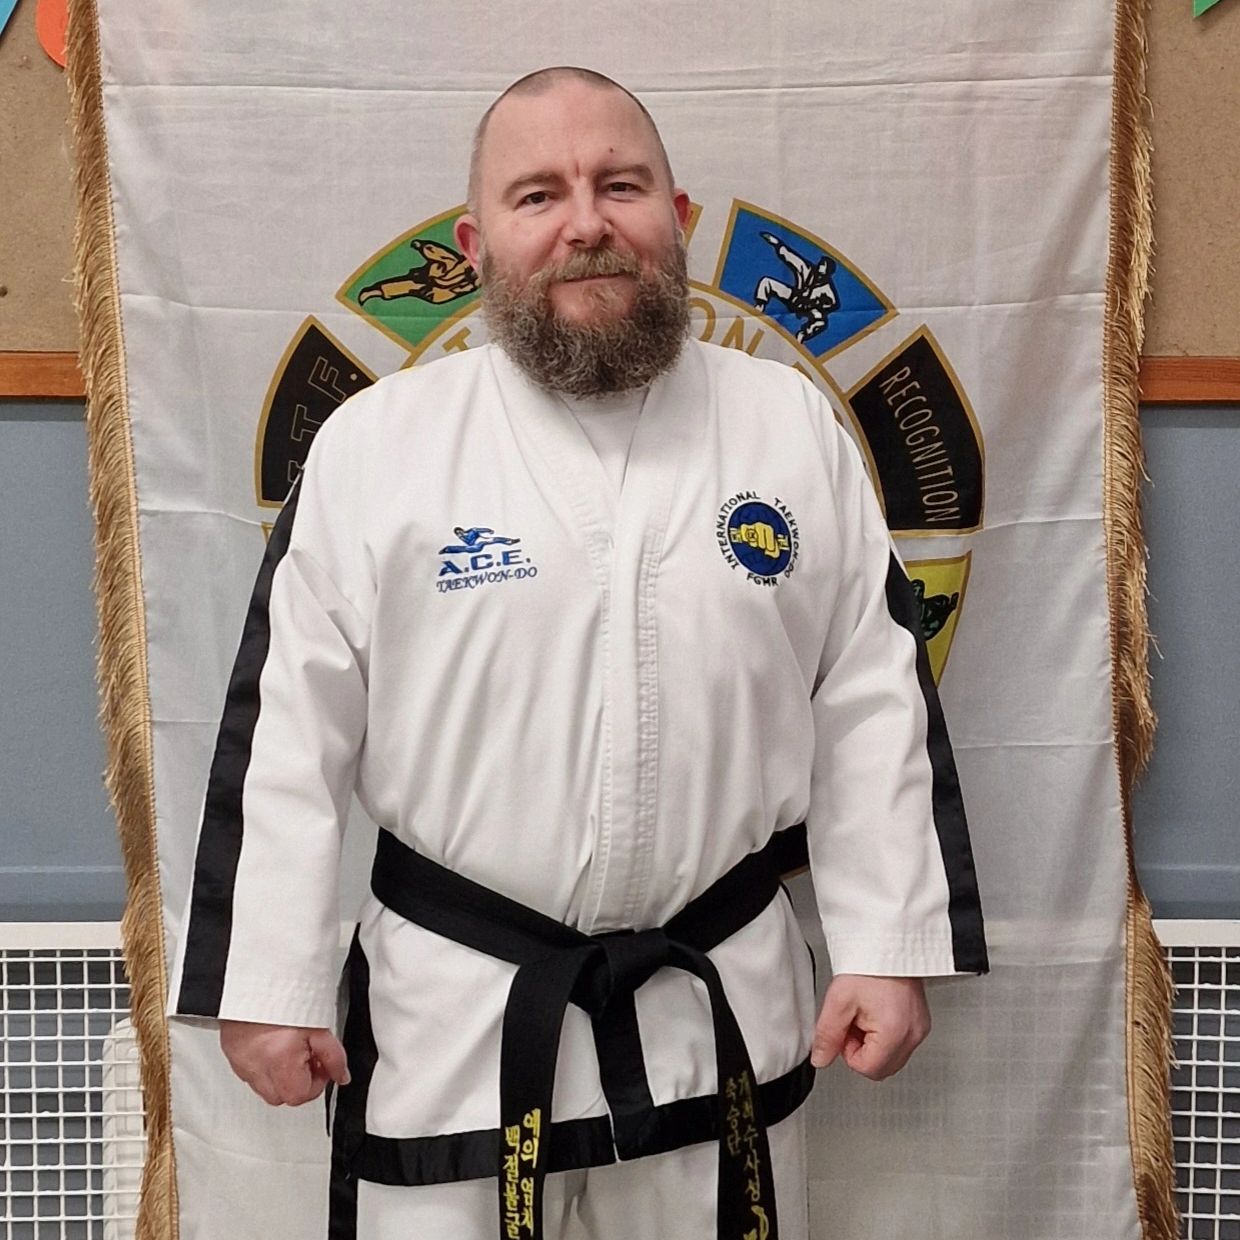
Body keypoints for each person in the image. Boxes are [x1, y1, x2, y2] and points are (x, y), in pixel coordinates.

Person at [168, 66, 987, 1240]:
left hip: (718, 1006)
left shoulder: (787, 425)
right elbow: (287, 734)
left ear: (679, 217)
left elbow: (868, 698)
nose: (586, 223)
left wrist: (885, 942)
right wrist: (271, 986)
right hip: (457, 1010)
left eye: (621, 185)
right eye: (537, 195)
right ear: (475, 241)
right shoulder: (378, 446)